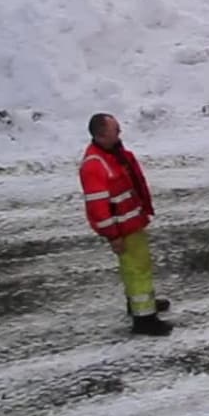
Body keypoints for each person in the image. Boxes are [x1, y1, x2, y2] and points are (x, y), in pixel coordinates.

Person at [79, 113, 171, 336]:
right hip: (123, 228)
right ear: (101, 135)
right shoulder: (95, 165)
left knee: (135, 269)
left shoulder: (112, 155)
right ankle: (145, 320)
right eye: (115, 130)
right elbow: (98, 207)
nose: (120, 133)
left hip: (131, 223)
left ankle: (139, 305)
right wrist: (113, 235)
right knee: (138, 270)